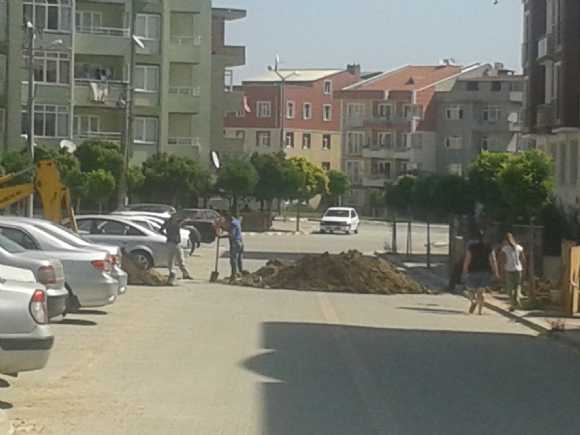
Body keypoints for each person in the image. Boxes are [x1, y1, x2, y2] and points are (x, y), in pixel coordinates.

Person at [463, 229, 499, 315]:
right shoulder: (489, 248)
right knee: (481, 291)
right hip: (485, 271)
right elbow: (493, 261)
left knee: (470, 289)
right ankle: (480, 311)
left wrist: (465, 270)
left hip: (473, 270)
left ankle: (473, 300)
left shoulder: (471, 247)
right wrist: (496, 272)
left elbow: (467, 259)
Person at [160, 213, 193, 284]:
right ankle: (172, 274)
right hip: (171, 242)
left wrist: (186, 219)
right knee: (171, 260)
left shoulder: (176, 221)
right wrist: (167, 235)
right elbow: (161, 230)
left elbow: (183, 221)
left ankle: (185, 274)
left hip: (176, 243)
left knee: (180, 259)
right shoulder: (168, 222)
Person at [499, 233, 526, 311]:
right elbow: (523, 259)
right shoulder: (519, 247)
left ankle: (513, 304)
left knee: (509, 289)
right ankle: (516, 301)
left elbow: (502, 260)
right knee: (517, 286)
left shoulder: (504, 248)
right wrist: (524, 269)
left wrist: (501, 270)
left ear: (505, 240)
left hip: (509, 270)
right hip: (518, 269)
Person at [224, 211, 244, 280]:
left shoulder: (232, 224)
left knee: (233, 260)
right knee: (239, 259)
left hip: (235, 243)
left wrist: (223, 236)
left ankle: (234, 275)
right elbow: (241, 219)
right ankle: (240, 273)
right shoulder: (237, 221)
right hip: (241, 242)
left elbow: (232, 234)